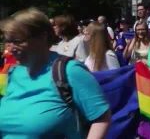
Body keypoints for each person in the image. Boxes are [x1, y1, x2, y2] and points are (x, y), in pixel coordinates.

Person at [0, 8, 111, 138]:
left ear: (42, 36)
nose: (10, 48)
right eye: (7, 41)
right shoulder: (13, 73)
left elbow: (102, 118)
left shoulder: (69, 71)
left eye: (17, 41)